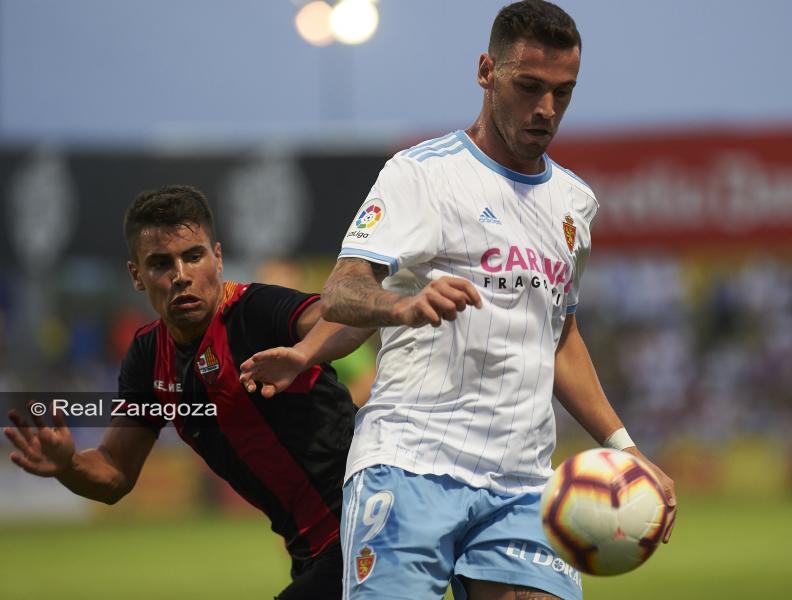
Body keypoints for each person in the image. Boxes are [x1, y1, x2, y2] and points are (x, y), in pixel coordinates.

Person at [316, 2, 678, 599]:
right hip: (410, 463)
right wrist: (400, 306)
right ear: (486, 71)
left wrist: (626, 449)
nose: (546, 110)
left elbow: (558, 336)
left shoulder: (574, 203)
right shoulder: (420, 175)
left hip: (522, 483)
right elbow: (342, 289)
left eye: (563, 93)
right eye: (528, 86)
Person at [4, 185, 370, 600]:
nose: (181, 275)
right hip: (312, 551)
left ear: (217, 257)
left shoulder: (252, 311)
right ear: (137, 275)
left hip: (365, 524)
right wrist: (68, 464)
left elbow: (349, 318)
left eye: (193, 256)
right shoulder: (147, 357)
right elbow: (114, 474)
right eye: (161, 263)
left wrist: (303, 353)